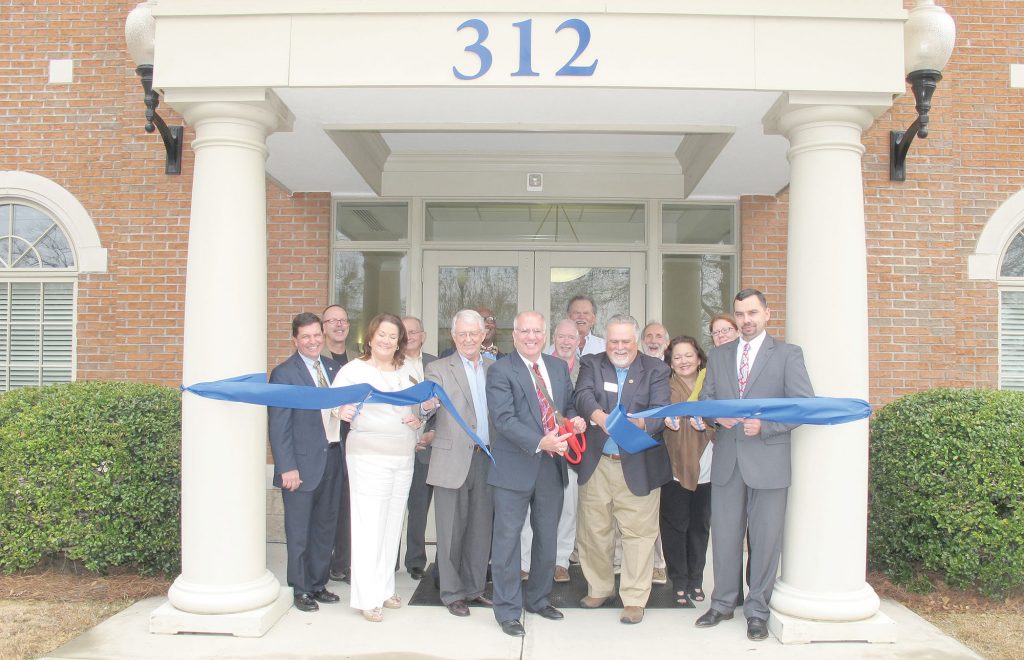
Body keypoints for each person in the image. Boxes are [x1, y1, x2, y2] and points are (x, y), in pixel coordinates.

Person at [693, 289, 814, 642]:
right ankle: (722, 603)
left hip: (769, 461)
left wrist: (766, 426)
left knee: (765, 540)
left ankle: (757, 610)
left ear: (766, 314)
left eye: (752, 313)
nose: (746, 320)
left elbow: (803, 406)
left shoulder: (788, 355)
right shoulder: (719, 355)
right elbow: (706, 400)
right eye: (740, 314)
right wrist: (717, 417)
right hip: (728, 461)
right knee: (724, 536)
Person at [487, 311, 586, 637]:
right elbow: (503, 419)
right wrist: (540, 441)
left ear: (545, 336)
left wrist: (574, 420)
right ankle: (507, 611)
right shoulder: (501, 370)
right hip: (514, 466)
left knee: (547, 537)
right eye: (525, 331)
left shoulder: (557, 367)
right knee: (507, 541)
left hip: (551, 467)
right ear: (514, 335)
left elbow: (568, 405)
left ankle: (539, 599)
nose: (531, 337)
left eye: (536, 332)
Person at [573, 315, 672, 625]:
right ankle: (599, 588)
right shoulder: (592, 363)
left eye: (625, 341)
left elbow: (660, 411)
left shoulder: (656, 369)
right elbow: (582, 395)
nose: (619, 347)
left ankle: (634, 598)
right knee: (594, 531)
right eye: (613, 341)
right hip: (598, 464)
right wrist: (602, 418)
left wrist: (637, 423)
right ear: (606, 341)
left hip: (638, 465)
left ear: (636, 341)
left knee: (639, 535)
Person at [331, 313, 425, 622]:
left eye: (392, 336)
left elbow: (418, 405)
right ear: (370, 338)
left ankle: (384, 589)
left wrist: (419, 418)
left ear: (399, 342)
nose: (386, 340)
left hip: (403, 456)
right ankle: (366, 597)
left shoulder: (408, 369)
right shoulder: (354, 370)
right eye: (381, 334)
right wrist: (340, 411)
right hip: (368, 456)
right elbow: (331, 403)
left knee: (392, 524)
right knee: (369, 526)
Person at [421, 309, 496, 617]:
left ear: (483, 335)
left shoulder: (494, 368)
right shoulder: (437, 368)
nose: (468, 339)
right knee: (450, 532)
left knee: (481, 530)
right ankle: (452, 593)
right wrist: (426, 405)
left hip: (486, 459)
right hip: (451, 459)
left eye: (473, 333)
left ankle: (474, 588)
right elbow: (424, 405)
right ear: (453, 337)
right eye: (462, 334)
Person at [268, 312, 344, 613]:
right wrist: (286, 467)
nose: (313, 341)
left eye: (316, 335)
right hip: (299, 466)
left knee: (325, 527)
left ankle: (317, 583)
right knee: (299, 530)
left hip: (333, 457)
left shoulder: (334, 368)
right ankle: (300, 589)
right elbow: (279, 425)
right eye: (306, 337)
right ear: (295, 340)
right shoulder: (284, 374)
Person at [522, 319, 580, 583]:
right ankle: (525, 562)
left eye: (571, 337)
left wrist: (575, 419)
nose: (566, 342)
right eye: (561, 336)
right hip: (533, 448)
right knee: (528, 509)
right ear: (552, 338)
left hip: (566, 448)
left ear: (579, 341)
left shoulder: (585, 367)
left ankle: (560, 562)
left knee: (567, 507)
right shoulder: (537, 363)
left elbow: (573, 403)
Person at [660, 336, 714, 608]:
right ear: (670, 362)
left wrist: (709, 426)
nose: (683, 361)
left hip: (707, 465)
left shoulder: (711, 386)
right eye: (677, 357)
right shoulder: (664, 387)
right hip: (674, 466)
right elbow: (653, 417)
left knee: (699, 527)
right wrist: (663, 421)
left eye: (688, 355)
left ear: (699, 358)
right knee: (675, 526)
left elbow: (723, 420)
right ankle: (679, 580)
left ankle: (696, 579)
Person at [401, 316, 437, 580]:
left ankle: (415, 561)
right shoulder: (389, 364)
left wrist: (433, 433)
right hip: (396, 445)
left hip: (427, 448)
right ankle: (387, 560)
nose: (409, 336)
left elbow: (446, 405)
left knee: (419, 508)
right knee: (391, 508)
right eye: (404, 332)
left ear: (423, 336)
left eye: (414, 332)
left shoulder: (435, 365)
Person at [322, 304, 353, 585]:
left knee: (348, 503)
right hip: (327, 442)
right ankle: (325, 562)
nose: (339, 325)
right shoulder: (315, 359)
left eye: (343, 320)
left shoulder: (359, 359)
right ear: (323, 327)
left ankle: (343, 564)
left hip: (356, 438)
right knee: (329, 505)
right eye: (332, 321)